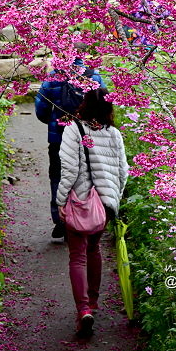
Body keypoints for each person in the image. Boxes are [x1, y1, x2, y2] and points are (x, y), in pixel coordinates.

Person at [56, 88, 129, 337]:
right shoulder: (114, 134)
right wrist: (112, 200)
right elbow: (123, 172)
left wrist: (60, 201)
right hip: (105, 205)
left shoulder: (74, 130)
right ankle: (94, 303)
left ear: (84, 104)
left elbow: (68, 170)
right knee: (94, 249)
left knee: (77, 256)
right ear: (109, 108)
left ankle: (83, 310)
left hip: (79, 201)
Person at [35, 55, 105, 241]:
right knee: (87, 177)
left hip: (59, 138)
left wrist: (53, 123)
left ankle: (61, 220)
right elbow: (103, 106)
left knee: (58, 176)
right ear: (83, 58)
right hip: (87, 139)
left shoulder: (52, 77)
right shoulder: (94, 77)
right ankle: (86, 218)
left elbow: (41, 109)